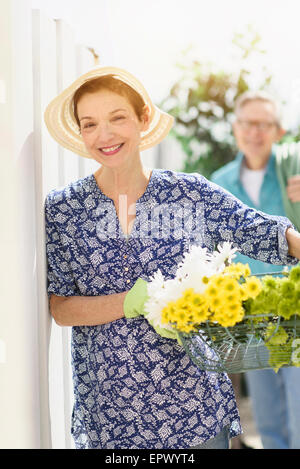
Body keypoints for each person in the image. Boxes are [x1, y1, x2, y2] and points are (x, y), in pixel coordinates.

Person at [44, 68, 300, 450]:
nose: (105, 135)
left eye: (118, 118)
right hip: (112, 418)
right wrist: (130, 302)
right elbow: (61, 307)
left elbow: (267, 233)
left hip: (195, 411)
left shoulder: (189, 194)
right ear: (81, 133)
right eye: (90, 124)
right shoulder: (64, 209)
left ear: (143, 118)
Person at [211, 90, 300, 449]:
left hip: (296, 310)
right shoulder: (219, 183)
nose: (255, 132)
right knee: (266, 414)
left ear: (279, 131)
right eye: (248, 123)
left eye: (265, 124)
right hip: (251, 317)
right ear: (235, 128)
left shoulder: (294, 171)